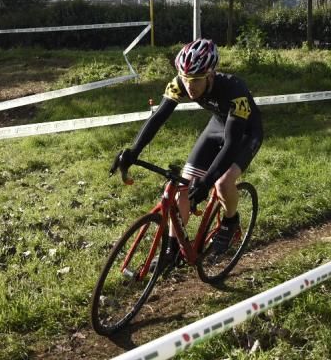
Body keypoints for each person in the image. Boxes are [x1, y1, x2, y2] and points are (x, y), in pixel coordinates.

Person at [113, 38, 264, 267]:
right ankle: (172, 252)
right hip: (216, 127)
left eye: (195, 80)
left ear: (210, 75)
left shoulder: (235, 91)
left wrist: (206, 182)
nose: (189, 86)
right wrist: (133, 151)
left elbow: (232, 143)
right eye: (185, 79)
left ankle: (230, 222)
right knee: (183, 186)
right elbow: (158, 118)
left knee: (222, 184)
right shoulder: (180, 82)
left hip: (245, 133)